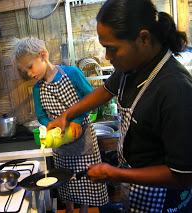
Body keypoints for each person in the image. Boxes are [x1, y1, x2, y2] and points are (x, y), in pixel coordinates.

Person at [47, 0, 192, 212]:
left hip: (163, 201)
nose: (107, 56)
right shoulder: (131, 67)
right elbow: (104, 92)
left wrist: (114, 174)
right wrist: (67, 115)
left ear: (143, 38)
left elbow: (184, 177)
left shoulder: (176, 90)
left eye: (111, 48)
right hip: (135, 187)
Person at [12, 37, 108, 213]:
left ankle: (84, 210)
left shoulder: (72, 73)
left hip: (83, 140)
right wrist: (52, 127)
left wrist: (76, 121)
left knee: (85, 180)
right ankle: (70, 209)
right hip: (61, 144)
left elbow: (91, 100)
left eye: (30, 67)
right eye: (25, 71)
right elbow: (41, 116)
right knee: (66, 181)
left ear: (43, 55)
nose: (29, 74)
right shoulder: (37, 89)